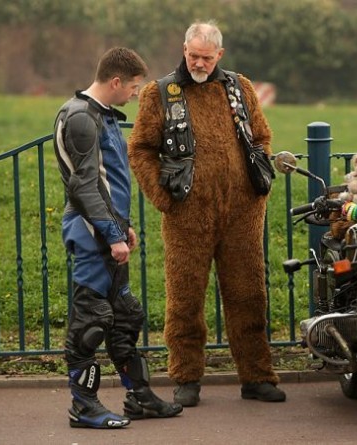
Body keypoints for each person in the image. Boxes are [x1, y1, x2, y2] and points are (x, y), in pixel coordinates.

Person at [128, 21, 285, 406]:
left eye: (206, 57)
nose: (199, 62)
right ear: (184, 49)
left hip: (243, 213)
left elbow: (261, 136)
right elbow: (140, 149)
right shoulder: (160, 93)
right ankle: (185, 378)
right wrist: (163, 198)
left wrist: (257, 183)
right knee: (185, 299)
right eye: (193, 55)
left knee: (249, 295)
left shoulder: (240, 87)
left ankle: (256, 377)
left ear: (220, 55)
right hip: (186, 214)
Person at [53, 47, 183, 429]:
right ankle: (83, 406)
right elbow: (85, 186)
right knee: (89, 325)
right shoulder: (80, 118)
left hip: (108, 230)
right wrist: (111, 234)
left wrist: (122, 226)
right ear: (115, 82)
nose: (136, 94)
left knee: (126, 317)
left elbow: (107, 181)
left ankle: (139, 397)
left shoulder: (101, 115)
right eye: (134, 87)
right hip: (91, 232)